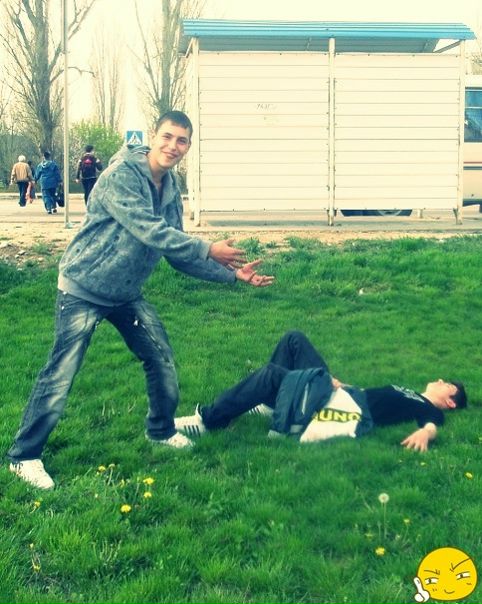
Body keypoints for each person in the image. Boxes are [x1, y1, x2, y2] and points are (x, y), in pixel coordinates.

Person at [7, 110, 274, 490]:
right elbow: (149, 230)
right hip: (83, 287)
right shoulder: (121, 176)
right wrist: (207, 246)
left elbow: (177, 253)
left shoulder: (170, 187)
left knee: (160, 356)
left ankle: (160, 431)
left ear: (188, 146)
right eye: (167, 137)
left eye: (182, 140)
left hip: (125, 293)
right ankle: (23, 457)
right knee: (61, 372)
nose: (173, 146)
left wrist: (232, 275)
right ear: (153, 136)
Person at [175, 331, 467, 451]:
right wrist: (341, 384)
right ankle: (274, 404)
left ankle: (210, 420)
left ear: (450, 402)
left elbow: (432, 425)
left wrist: (425, 434)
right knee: (294, 339)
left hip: (340, 405)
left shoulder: (426, 407)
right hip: (344, 393)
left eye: (449, 385)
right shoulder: (409, 392)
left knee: (272, 374)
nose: (441, 380)